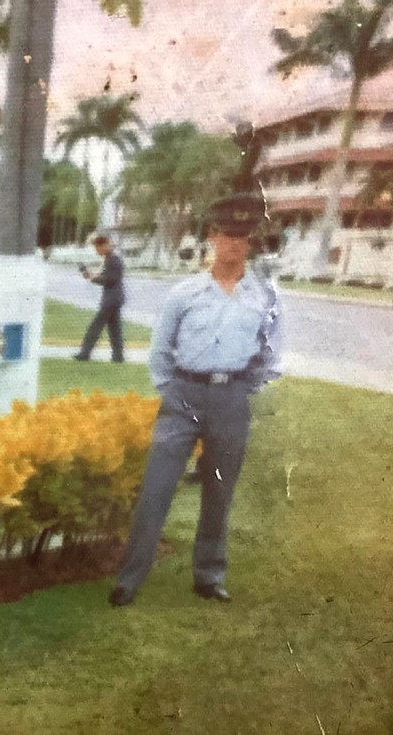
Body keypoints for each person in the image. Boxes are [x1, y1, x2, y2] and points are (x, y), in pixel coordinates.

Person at [108, 192, 282, 607]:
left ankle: (209, 576)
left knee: (220, 492)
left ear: (251, 241)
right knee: (157, 487)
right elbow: (160, 352)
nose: (234, 243)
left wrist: (240, 389)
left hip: (232, 399)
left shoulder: (264, 297)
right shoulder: (184, 294)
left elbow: (271, 351)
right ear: (212, 237)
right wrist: (173, 391)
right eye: (226, 234)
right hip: (183, 397)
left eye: (243, 236)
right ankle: (130, 579)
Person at [74, 234, 125, 363]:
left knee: (95, 326)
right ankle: (118, 356)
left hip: (111, 299)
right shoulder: (110, 259)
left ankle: (85, 353)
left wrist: (94, 278)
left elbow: (110, 279)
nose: (97, 252)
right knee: (114, 329)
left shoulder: (113, 260)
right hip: (114, 299)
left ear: (104, 245)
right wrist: (91, 276)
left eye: (98, 248)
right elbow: (105, 277)